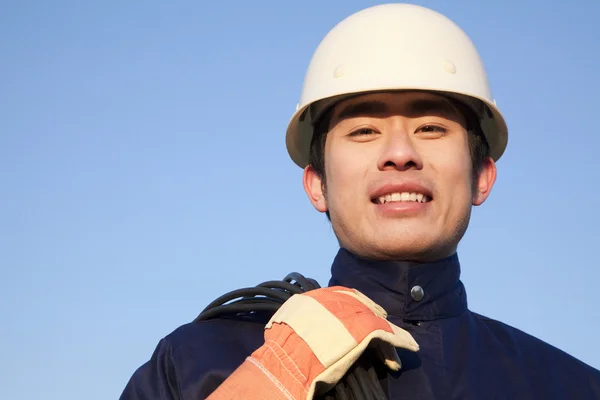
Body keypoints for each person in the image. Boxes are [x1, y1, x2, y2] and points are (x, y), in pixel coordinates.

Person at [119, 3, 600, 399]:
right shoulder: (198, 366)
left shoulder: (570, 386)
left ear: (482, 177)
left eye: (431, 127)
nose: (399, 154)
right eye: (364, 130)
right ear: (316, 184)